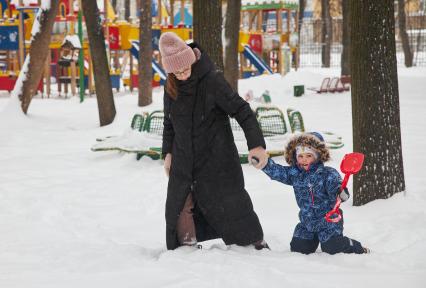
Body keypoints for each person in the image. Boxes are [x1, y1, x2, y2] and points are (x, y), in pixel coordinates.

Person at [159, 32, 269, 250]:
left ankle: (252, 245)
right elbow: (168, 124)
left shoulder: (212, 81)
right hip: (183, 159)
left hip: (216, 158)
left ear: (191, 59)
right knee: (179, 206)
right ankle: (185, 250)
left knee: (230, 204)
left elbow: (242, 110)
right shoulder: (171, 86)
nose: (181, 75)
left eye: (184, 69)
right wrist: (168, 154)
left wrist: (256, 145)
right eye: (176, 71)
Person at [254, 132, 370, 254]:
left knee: (332, 247)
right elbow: (277, 172)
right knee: (298, 249)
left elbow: (335, 187)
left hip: (328, 220)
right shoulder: (294, 174)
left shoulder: (327, 173)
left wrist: (339, 193)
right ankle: (313, 239)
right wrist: (264, 163)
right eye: (300, 156)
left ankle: (356, 247)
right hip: (307, 221)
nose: (304, 159)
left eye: (308, 155)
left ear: (318, 156)